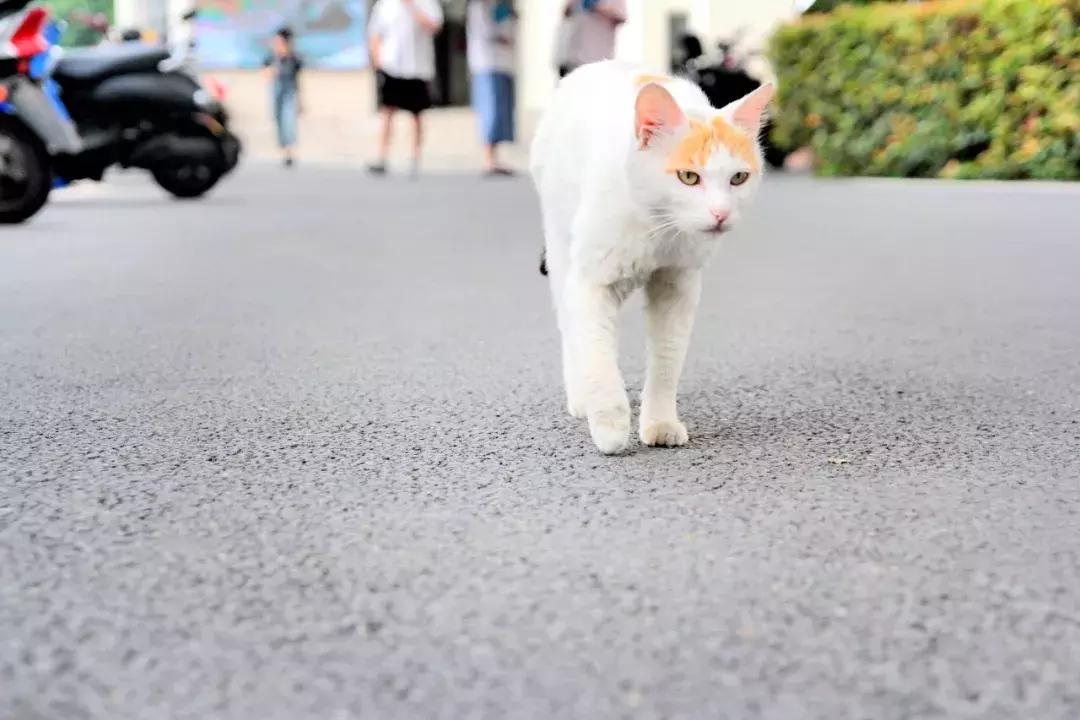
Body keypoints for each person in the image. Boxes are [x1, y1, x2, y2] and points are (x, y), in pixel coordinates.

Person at [367, 0, 444, 177]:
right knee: (388, 111)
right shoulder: (385, 5)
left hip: (418, 66)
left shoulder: (427, 3)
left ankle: (415, 157)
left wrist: (412, 7)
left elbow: (435, 26)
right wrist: (377, 60)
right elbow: (375, 33)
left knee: (416, 114)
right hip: (392, 64)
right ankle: (382, 156)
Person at [466, 0, 516, 176]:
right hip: (486, 63)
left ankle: (495, 157)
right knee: (490, 110)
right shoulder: (479, 5)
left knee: (501, 112)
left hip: (503, 62)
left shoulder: (503, 5)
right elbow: (487, 31)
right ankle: (488, 158)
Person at [264, 27, 303, 168]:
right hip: (276, 90)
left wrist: (301, 100)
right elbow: (266, 74)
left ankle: (289, 152)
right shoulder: (271, 57)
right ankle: (283, 148)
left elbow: (297, 79)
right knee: (278, 119)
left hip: (289, 91)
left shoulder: (293, 58)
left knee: (288, 120)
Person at [558, 0, 626, 77]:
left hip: (597, 59)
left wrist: (595, 7)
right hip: (571, 58)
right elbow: (566, 13)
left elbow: (620, 17)